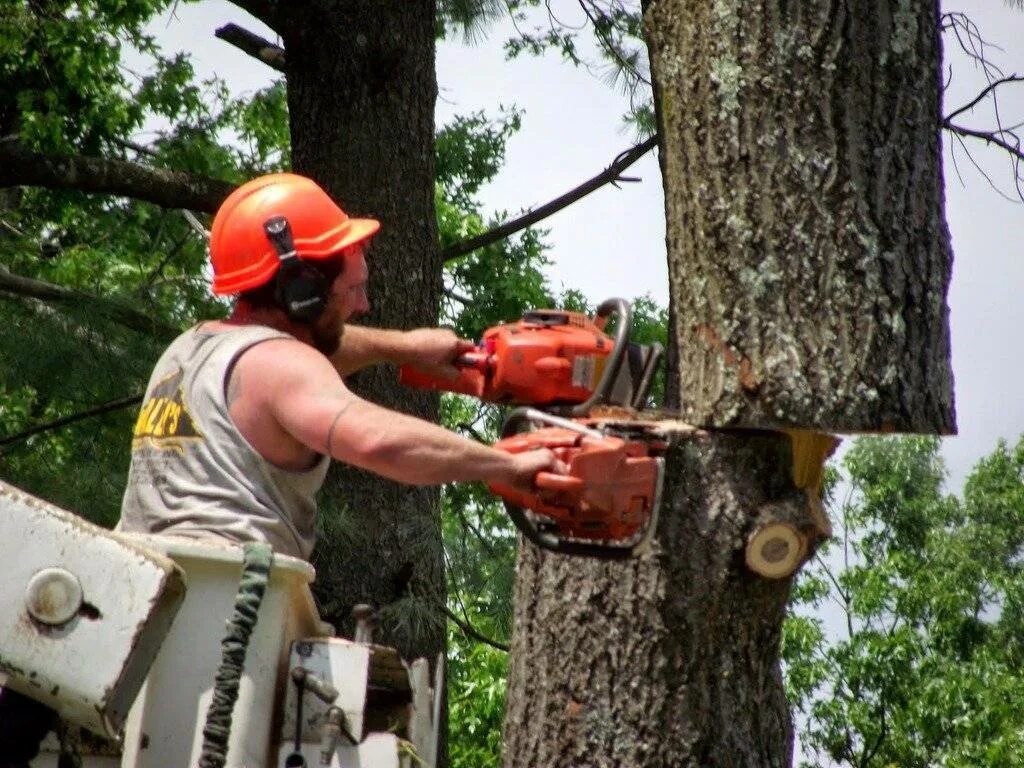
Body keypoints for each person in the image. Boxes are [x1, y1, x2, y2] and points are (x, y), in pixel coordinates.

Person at [116, 172, 563, 559]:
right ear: (303, 293)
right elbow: (376, 442)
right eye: (354, 289)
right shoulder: (283, 364)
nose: (364, 304)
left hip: (148, 581)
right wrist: (505, 465)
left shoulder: (193, 348)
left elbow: (301, 361)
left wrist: (404, 348)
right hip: (232, 601)